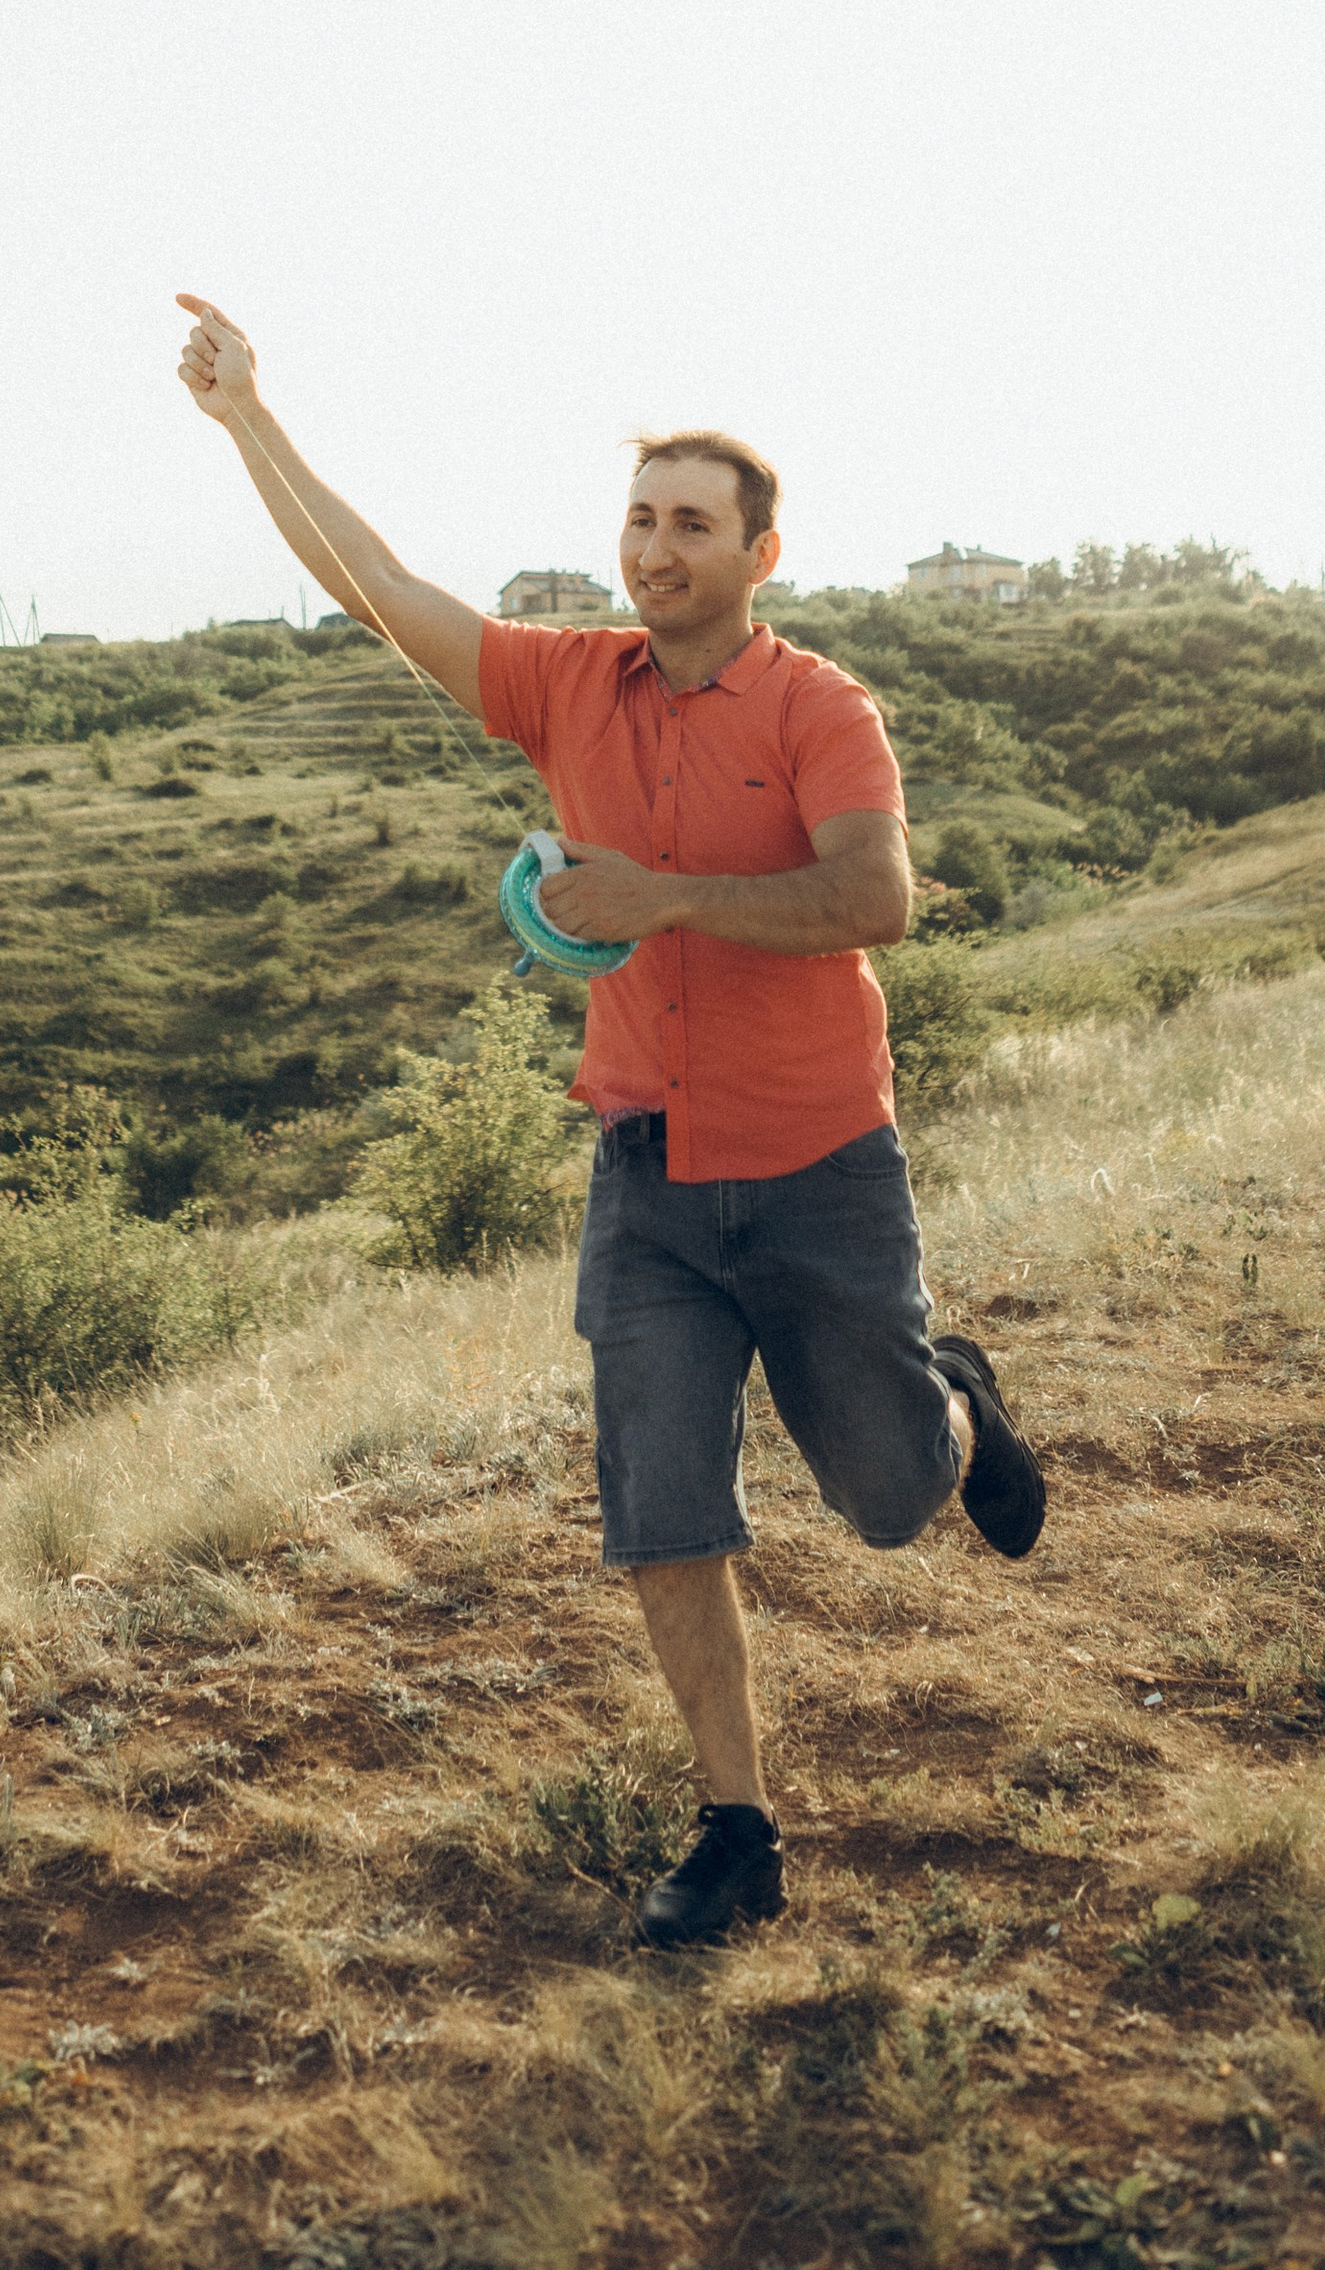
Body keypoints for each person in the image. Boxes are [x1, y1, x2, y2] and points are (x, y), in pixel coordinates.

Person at [173, 293, 1046, 1946]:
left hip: (820, 1169)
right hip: (646, 1172)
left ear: (761, 555)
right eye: (641, 518)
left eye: (692, 524)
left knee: (886, 1498)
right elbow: (379, 590)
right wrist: (250, 421)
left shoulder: (821, 710)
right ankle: (738, 1830)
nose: (656, 548)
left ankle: (957, 1403)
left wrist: (666, 894)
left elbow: (877, 900)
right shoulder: (567, 685)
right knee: (664, 1512)